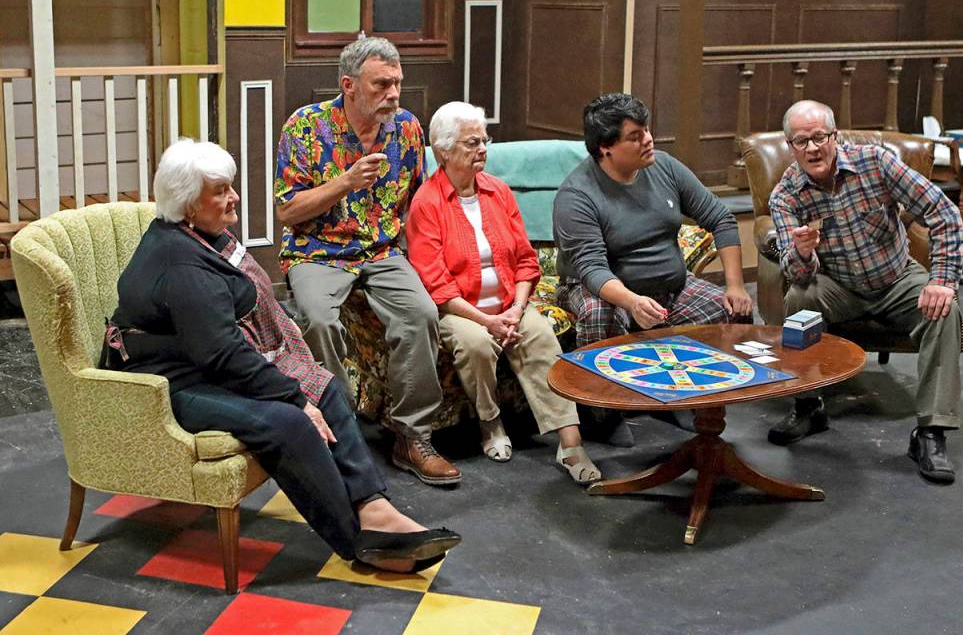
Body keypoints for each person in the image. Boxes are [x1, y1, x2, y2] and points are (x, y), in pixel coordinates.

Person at [105, 139, 460, 572]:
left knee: (323, 386)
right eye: (220, 190)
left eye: (230, 186)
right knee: (289, 421)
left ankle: (373, 506)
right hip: (166, 383)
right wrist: (293, 399)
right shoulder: (184, 266)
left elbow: (222, 346)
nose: (233, 197)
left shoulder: (201, 235)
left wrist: (302, 391)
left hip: (199, 362)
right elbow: (221, 355)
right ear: (188, 204)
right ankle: (358, 542)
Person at [275, 37, 459, 486]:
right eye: (381, 84)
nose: (393, 94)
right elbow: (287, 210)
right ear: (349, 85)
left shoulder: (408, 129)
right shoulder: (305, 127)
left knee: (419, 313)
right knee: (318, 320)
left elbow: (418, 203)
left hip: (382, 250)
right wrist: (345, 182)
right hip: (318, 250)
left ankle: (411, 437)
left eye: (397, 83)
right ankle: (341, 434)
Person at [768, 100, 963, 484]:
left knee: (944, 309)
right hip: (838, 284)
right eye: (801, 141)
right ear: (791, 147)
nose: (812, 148)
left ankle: (930, 432)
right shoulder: (786, 195)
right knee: (798, 301)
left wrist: (942, 279)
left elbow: (943, 214)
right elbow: (796, 273)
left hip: (896, 276)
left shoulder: (876, 163)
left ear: (835, 136)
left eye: (819, 137)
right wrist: (802, 252)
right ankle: (809, 405)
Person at [406, 102, 601, 484]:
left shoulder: (497, 191)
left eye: (485, 140)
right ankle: (490, 423)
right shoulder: (426, 204)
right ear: (443, 151)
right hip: (461, 311)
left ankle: (571, 444)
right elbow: (437, 286)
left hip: (509, 304)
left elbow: (527, 262)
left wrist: (515, 309)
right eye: (471, 142)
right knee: (476, 344)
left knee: (541, 336)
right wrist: (488, 321)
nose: (483, 149)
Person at [552, 93, 753, 445]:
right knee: (600, 313)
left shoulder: (664, 166)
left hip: (671, 285)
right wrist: (631, 301)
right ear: (605, 148)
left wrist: (736, 285)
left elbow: (720, 218)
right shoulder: (577, 195)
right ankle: (603, 413)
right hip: (599, 287)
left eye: (647, 130)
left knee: (731, 312)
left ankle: (683, 396)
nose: (648, 140)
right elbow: (592, 269)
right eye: (634, 136)